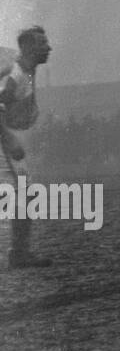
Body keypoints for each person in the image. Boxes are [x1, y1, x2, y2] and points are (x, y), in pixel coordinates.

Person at [0, 26, 54, 268]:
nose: (48, 48)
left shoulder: (25, 70)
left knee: (25, 193)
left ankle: (19, 254)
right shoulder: (15, 73)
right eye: (43, 43)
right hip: (3, 140)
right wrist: (8, 137)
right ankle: (18, 254)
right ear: (28, 47)